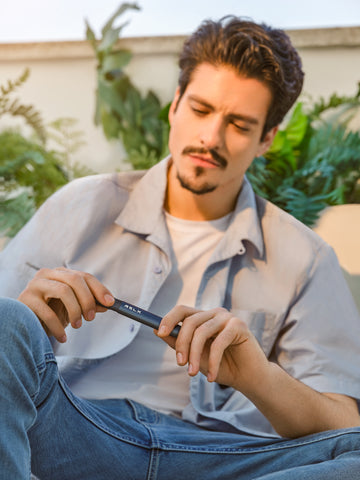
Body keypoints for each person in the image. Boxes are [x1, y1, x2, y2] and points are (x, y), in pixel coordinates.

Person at [0, 16, 360, 480]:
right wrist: (25, 317)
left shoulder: (305, 257)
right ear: (175, 105)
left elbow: (344, 424)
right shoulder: (82, 206)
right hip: (75, 431)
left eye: (238, 123)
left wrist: (256, 377)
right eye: (201, 109)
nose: (210, 137)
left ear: (266, 138)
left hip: (220, 459)